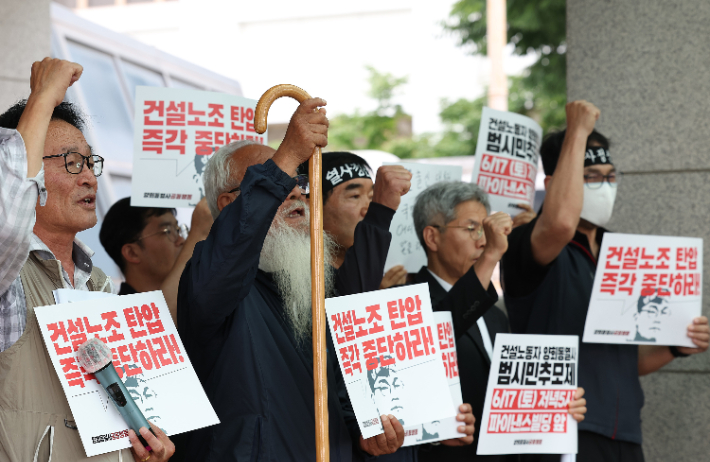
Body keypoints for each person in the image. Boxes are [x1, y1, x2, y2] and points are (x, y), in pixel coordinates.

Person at [177, 100, 410, 461]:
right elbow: (230, 252)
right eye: (273, 182)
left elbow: (344, 349)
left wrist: (364, 432)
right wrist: (286, 156)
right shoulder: (211, 277)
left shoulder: (305, 284)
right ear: (229, 205)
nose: (297, 191)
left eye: (297, 182)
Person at [501, 101, 709, 462]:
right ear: (552, 183)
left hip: (624, 433)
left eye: (611, 176)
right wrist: (577, 130)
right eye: (591, 177)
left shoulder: (621, 256)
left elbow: (624, 359)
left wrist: (676, 348)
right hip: (557, 432)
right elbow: (562, 224)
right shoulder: (529, 243)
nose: (605, 186)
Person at [0, 58, 173, 461]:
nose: (89, 177)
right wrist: (44, 97)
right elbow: (7, 223)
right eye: (71, 162)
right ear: (26, 176)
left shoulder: (99, 286)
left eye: (89, 162)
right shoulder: (10, 280)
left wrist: (144, 448)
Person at [410, 181, 586, 462]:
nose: (483, 241)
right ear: (432, 237)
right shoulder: (407, 303)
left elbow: (509, 404)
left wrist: (555, 407)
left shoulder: (495, 314)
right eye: (472, 229)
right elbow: (439, 332)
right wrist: (492, 256)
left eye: (486, 229)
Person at [298, 151, 409, 289]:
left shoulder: (388, 271)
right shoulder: (300, 280)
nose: (368, 209)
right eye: (355, 196)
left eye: (372, 196)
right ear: (311, 207)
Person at [100, 196, 213, 322]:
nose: (182, 240)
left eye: (178, 230)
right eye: (168, 231)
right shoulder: (121, 321)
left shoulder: (196, 300)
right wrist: (198, 234)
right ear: (132, 253)